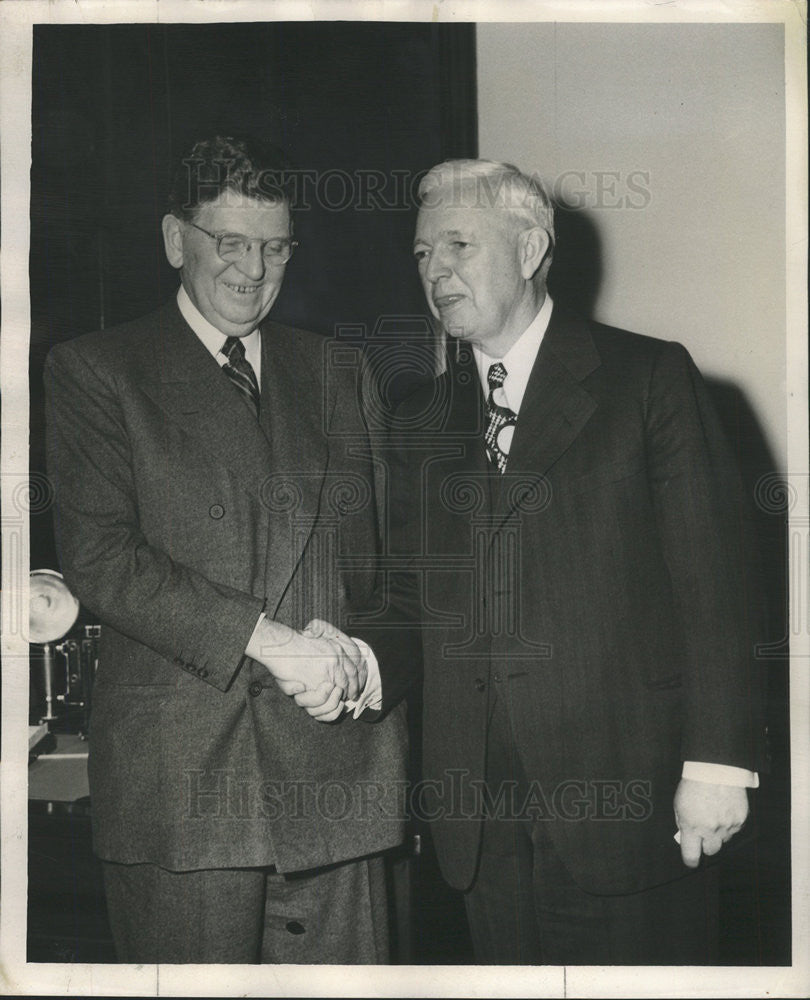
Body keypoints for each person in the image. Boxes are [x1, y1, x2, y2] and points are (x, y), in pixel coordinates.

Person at [349, 159, 767, 965]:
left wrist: (719, 763)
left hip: (630, 804)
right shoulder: (418, 417)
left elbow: (715, 588)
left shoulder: (647, 378)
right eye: (422, 253)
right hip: (477, 820)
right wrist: (361, 657)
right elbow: (412, 596)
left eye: (459, 244)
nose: (435, 270)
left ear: (532, 246)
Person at [44, 135, 406, 965]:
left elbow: (390, 565)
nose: (254, 268)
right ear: (177, 239)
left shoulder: (341, 371)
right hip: (185, 784)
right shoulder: (98, 370)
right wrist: (274, 643)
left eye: (274, 247)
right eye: (230, 243)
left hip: (337, 773)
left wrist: (361, 664)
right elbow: (102, 559)